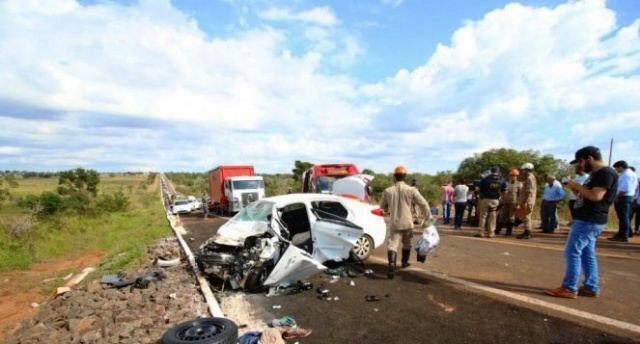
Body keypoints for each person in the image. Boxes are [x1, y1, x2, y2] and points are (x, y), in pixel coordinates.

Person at [545, 146, 618, 298]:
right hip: (587, 218)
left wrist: (577, 185)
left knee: (572, 252)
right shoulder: (596, 174)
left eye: (581, 162)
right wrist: (574, 187)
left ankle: (569, 288)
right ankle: (591, 286)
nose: (580, 166)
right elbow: (585, 196)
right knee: (586, 253)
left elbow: (596, 196)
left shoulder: (605, 173)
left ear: (589, 159)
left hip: (589, 220)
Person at [378, 166, 431, 279]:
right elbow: (424, 204)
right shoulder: (412, 190)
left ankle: (392, 264)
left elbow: (381, 208)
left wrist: (385, 212)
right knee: (407, 243)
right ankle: (404, 262)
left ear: (394, 177)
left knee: (392, 245)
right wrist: (427, 219)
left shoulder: (387, 191)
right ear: (405, 176)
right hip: (407, 223)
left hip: (394, 223)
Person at [474, 166, 508, 238]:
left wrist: (478, 190)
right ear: (498, 172)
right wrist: (504, 201)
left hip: (485, 199)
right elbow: (505, 192)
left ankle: (481, 232)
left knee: (483, 216)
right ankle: (491, 233)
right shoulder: (502, 180)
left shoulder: (485, 179)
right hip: (495, 200)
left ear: (491, 171)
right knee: (492, 216)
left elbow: (478, 189)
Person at [609, 160, 638, 242]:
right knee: (624, 216)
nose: (616, 170)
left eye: (616, 168)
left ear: (621, 167)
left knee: (623, 216)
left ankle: (623, 235)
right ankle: (624, 233)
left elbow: (624, 189)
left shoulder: (626, 174)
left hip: (623, 197)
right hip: (628, 197)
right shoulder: (632, 173)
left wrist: (616, 197)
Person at [496, 169, 522, 236]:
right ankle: (497, 230)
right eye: (512, 176)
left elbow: (520, 195)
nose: (513, 177)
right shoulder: (507, 183)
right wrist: (501, 202)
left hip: (513, 203)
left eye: (514, 176)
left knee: (511, 217)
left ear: (517, 176)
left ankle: (509, 231)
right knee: (502, 216)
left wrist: (518, 204)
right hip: (505, 202)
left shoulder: (519, 184)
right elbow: (503, 193)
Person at [515, 163, 537, 239]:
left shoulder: (530, 178)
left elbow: (529, 192)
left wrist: (525, 202)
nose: (522, 171)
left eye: (523, 170)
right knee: (524, 216)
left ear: (526, 169)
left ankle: (527, 233)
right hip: (527, 200)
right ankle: (527, 231)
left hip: (528, 201)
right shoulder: (530, 178)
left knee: (526, 216)